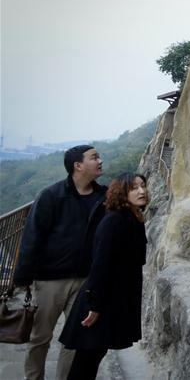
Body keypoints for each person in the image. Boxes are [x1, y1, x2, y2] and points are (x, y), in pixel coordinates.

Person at [13, 145, 107, 380]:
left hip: (85, 280)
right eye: (94, 157)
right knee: (40, 338)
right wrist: (23, 278)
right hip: (49, 280)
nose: (100, 161)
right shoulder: (51, 195)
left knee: (75, 340)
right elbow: (32, 237)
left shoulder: (103, 196)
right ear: (78, 165)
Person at [59, 172, 149, 380]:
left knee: (95, 354)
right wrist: (94, 305)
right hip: (102, 300)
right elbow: (101, 264)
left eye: (143, 186)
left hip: (114, 298)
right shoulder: (115, 221)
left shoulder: (133, 218)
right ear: (121, 192)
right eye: (134, 188)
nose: (142, 191)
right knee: (87, 358)